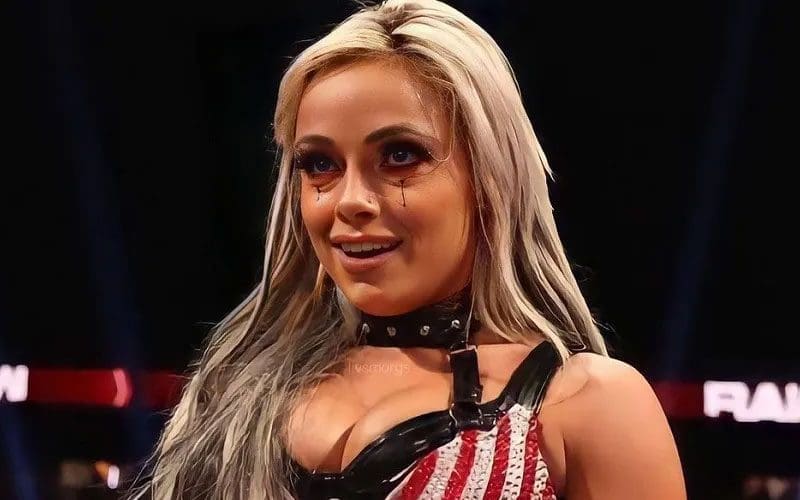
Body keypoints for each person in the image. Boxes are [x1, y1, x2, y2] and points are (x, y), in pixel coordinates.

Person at [128, 0, 686, 498]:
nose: (350, 201)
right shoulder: (226, 394)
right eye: (319, 164)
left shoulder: (586, 406)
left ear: (491, 178)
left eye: (400, 156)